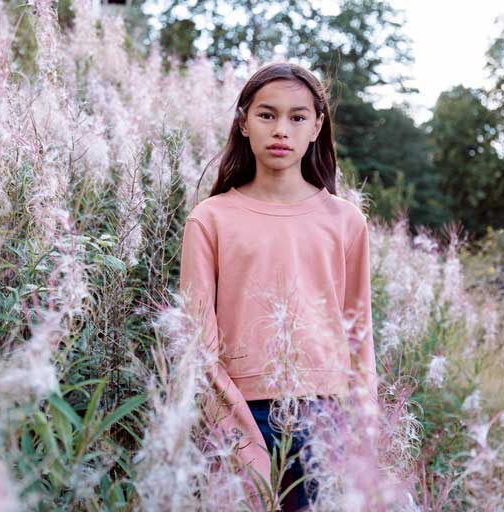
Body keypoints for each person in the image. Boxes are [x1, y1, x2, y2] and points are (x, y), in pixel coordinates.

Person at [178, 61, 379, 511]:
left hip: (325, 412)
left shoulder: (345, 221)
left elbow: (359, 331)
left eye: (297, 116)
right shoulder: (210, 219)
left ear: (317, 127)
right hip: (242, 409)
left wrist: (362, 423)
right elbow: (198, 337)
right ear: (244, 122)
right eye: (267, 115)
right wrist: (232, 422)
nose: (281, 129)